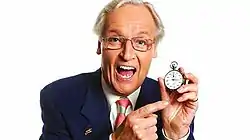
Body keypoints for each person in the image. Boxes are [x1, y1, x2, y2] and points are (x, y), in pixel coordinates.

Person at [39, 0, 199, 140]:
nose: (127, 54)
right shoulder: (59, 98)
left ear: (154, 49)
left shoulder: (173, 102)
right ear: (100, 45)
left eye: (141, 42)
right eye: (115, 40)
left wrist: (175, 135)